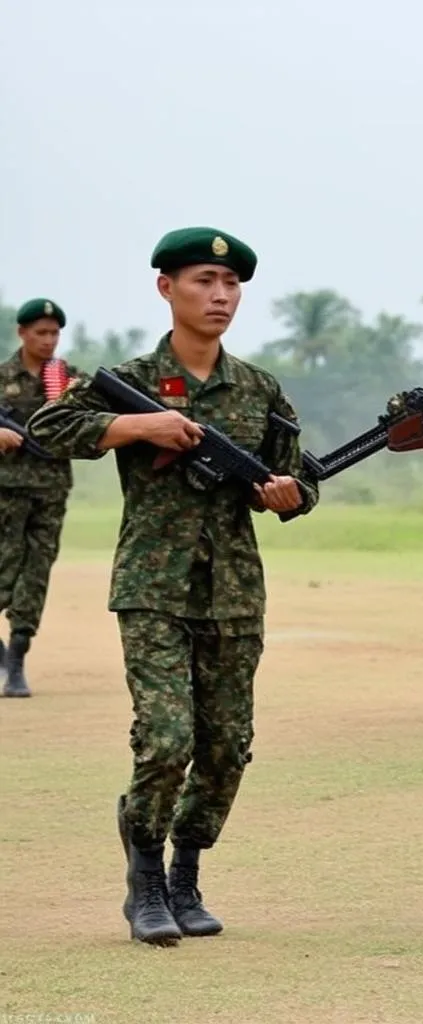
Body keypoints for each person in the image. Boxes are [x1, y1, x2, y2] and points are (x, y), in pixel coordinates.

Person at [29, 226, 319, 946]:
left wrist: (289, 495)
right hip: (152, 585)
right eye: (202, 283)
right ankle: (146, 879)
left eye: (231, 286)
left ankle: (187, 871)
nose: (220, 296)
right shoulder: (128, 378)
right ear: (167, 288)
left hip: (233, 591)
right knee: (165, 738)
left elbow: (297, 474)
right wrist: (138, 424)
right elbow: (50, 423)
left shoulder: (258, 389)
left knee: (225, 748)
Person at [0, 298, 78, 697]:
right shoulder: (1, 378)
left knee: (36, 576)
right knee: (4, 570)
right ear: (22, 333)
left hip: (51, 491)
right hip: (6, 492)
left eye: (54, 333)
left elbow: (89, 418)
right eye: (41, 333)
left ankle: (15, 659)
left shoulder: (64, 379)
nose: (49, 341)